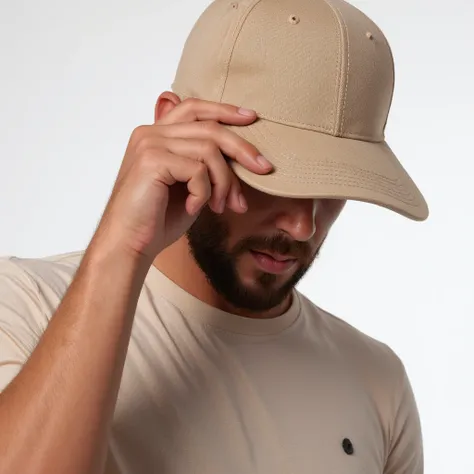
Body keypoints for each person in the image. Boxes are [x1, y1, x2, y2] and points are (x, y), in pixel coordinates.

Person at [0, 0, 429, 473]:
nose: (303, 226)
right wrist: (122, 248)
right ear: (174, 127)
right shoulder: (23, 306)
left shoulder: (375, 379)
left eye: (335, 185)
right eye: (275, 175)